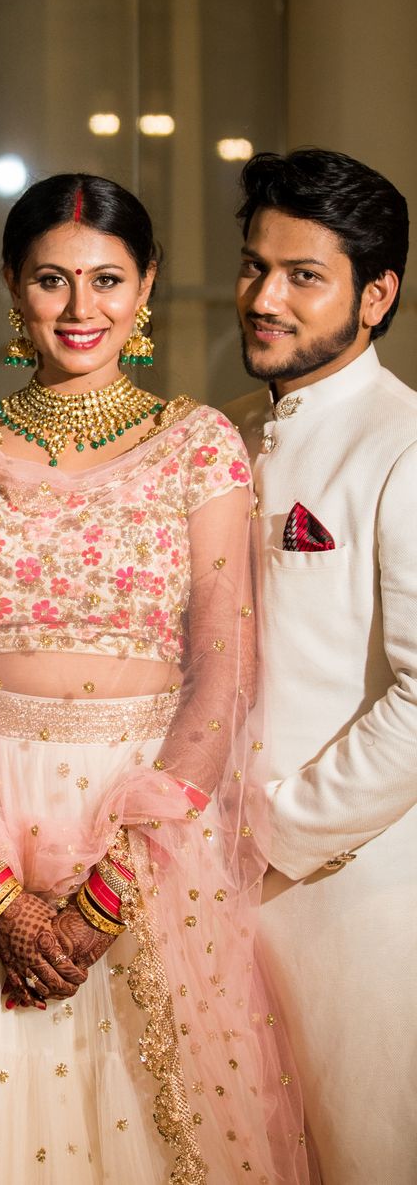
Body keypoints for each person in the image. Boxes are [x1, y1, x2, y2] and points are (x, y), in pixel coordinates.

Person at [0, 173, 310, 1184]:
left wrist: (102, 897)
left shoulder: (198, 447)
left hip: (152, 842)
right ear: (10, 288)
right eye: (52, 281)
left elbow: (222, 674)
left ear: (146, 284)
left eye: (107, 280)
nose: (81, 310)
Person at [226, 148, 416, 1185]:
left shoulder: (403, 446)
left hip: (356, 907)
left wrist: (274, 832)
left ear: (374, 294)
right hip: (217, 893)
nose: (264, 298)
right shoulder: (233, 439)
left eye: (303, 275)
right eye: (256, 267)